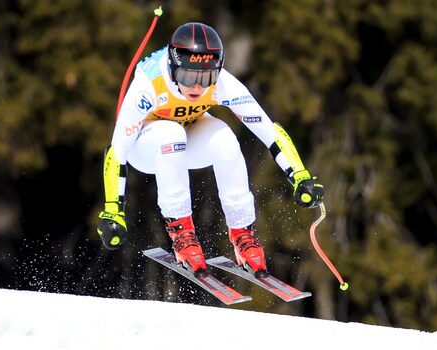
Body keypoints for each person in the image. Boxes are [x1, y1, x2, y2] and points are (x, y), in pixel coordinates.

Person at [96, 22, 324, 276]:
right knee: (170, 133)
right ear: (173, 68)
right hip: (147, 147)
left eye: (206, 78)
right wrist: (113, 210)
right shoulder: (149, 85)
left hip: (186, 138)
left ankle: (243, 234)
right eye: (188, 77)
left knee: (225, 138)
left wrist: (299, 176)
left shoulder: (222, 82)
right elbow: (117, 151)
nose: (197, 87)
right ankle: (182, 234)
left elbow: (267, 130)